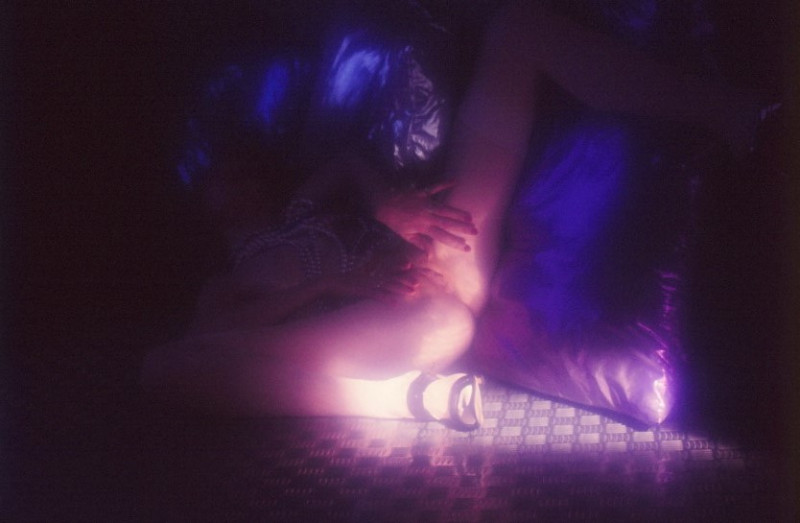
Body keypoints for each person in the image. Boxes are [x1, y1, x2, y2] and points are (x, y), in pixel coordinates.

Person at [141, 2, 767, 429]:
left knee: (518, 28)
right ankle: (403, 400)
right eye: (223, 178)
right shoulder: (228, 282)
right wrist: (331, 285)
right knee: (166, 367)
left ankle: (743, 114)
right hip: (409, 316)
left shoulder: (294, 210)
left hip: (437, 245)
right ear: (204, 205)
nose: (240, 178)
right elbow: (213, 340)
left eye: (245, 169)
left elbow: (345, 164)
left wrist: (384, 202)